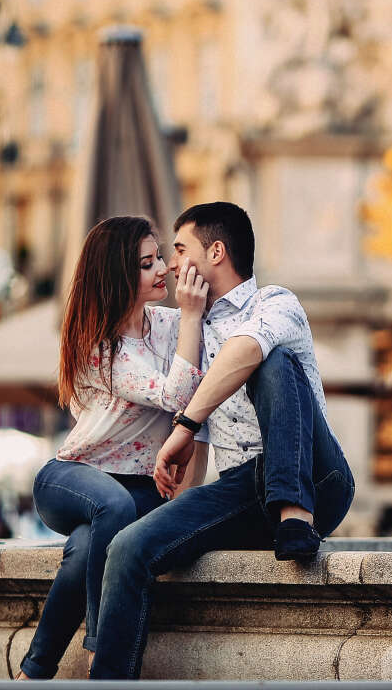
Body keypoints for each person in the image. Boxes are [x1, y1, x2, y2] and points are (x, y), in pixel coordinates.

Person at [90, 202, 354, 681]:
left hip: (318, 479)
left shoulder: (274, 302)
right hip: (243, 487)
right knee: (128, 548)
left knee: (270, 360)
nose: (170, 266)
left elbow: (247, 350)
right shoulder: (188, 330)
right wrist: (176, 511)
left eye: (179, 250)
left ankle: (295, 513)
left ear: (215, 252)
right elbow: (202, 450)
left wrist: (184, 424)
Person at [16, 215, 209, 680]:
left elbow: (201, 393)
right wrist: (191, 316)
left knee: (85, 549)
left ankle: (33, 673)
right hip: (71, 478)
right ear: (117, 274)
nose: (163, 268)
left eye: (160, 256)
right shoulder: (96, 345)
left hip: (140, 486)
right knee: (112, 506)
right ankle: (103, 647)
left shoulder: (168, 324)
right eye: (147, 263)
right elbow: (177, 397)